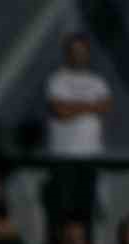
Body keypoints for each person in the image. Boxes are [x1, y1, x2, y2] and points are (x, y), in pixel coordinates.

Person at [44, 33, 111, 227]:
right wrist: (90, 106)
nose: (79, 55)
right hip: (64, 157)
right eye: (74, 51)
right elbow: (60, 111)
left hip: (90, 156)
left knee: (87, 214)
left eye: (82, 51)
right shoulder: (57, 80)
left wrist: (73, 106)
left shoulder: (98, 81)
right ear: (67, 53)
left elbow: (105, 107)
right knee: (63, 215)